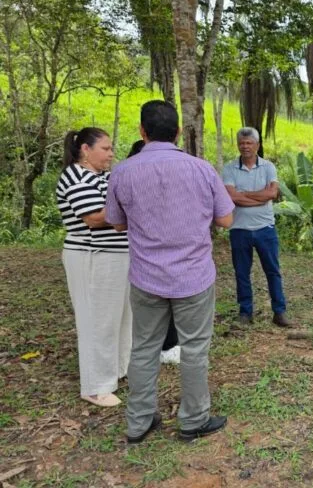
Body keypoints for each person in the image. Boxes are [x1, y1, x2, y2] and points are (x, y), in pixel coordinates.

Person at [105, 100, 234, 443]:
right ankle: (193, 421)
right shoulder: (201, 169)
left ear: (142, 132)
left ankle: (139, 422)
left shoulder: (122, 171)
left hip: (146, 277)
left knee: (144, 348)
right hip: (193, 277)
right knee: (194, 350)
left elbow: (116, 224)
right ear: (178, 132)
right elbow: (226, 219)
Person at [57, 127, 132, 408]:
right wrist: (132, 210)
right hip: (93, 255)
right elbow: (94, 217)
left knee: (122, 317)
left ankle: (118, 370)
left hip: (117, 254)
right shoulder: (76, 176)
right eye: (106, 149)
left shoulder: (103, 177)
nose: (111, 154)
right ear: (85, 150)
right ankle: (95, 385)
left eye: (112, 149)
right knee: (97, 320)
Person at [221, 127, 290, 328]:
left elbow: (272, 194)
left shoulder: (269, 167)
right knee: (242, 272)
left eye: (249, 143)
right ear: (238, 145)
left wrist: (244, 195)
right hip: (239, 229)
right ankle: (245, 312)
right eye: (242, 143)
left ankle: (279, 312)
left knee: (273, 271)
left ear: (257, 145)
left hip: (265, 228)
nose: (245, 147)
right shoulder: (229, 168)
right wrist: (258, 196)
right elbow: (231, 197)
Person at [126, 140, 180, 365]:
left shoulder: (166, 182)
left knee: (167, 300)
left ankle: (168, 344)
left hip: (159, 255)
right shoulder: (126, 179)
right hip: (136, 254)